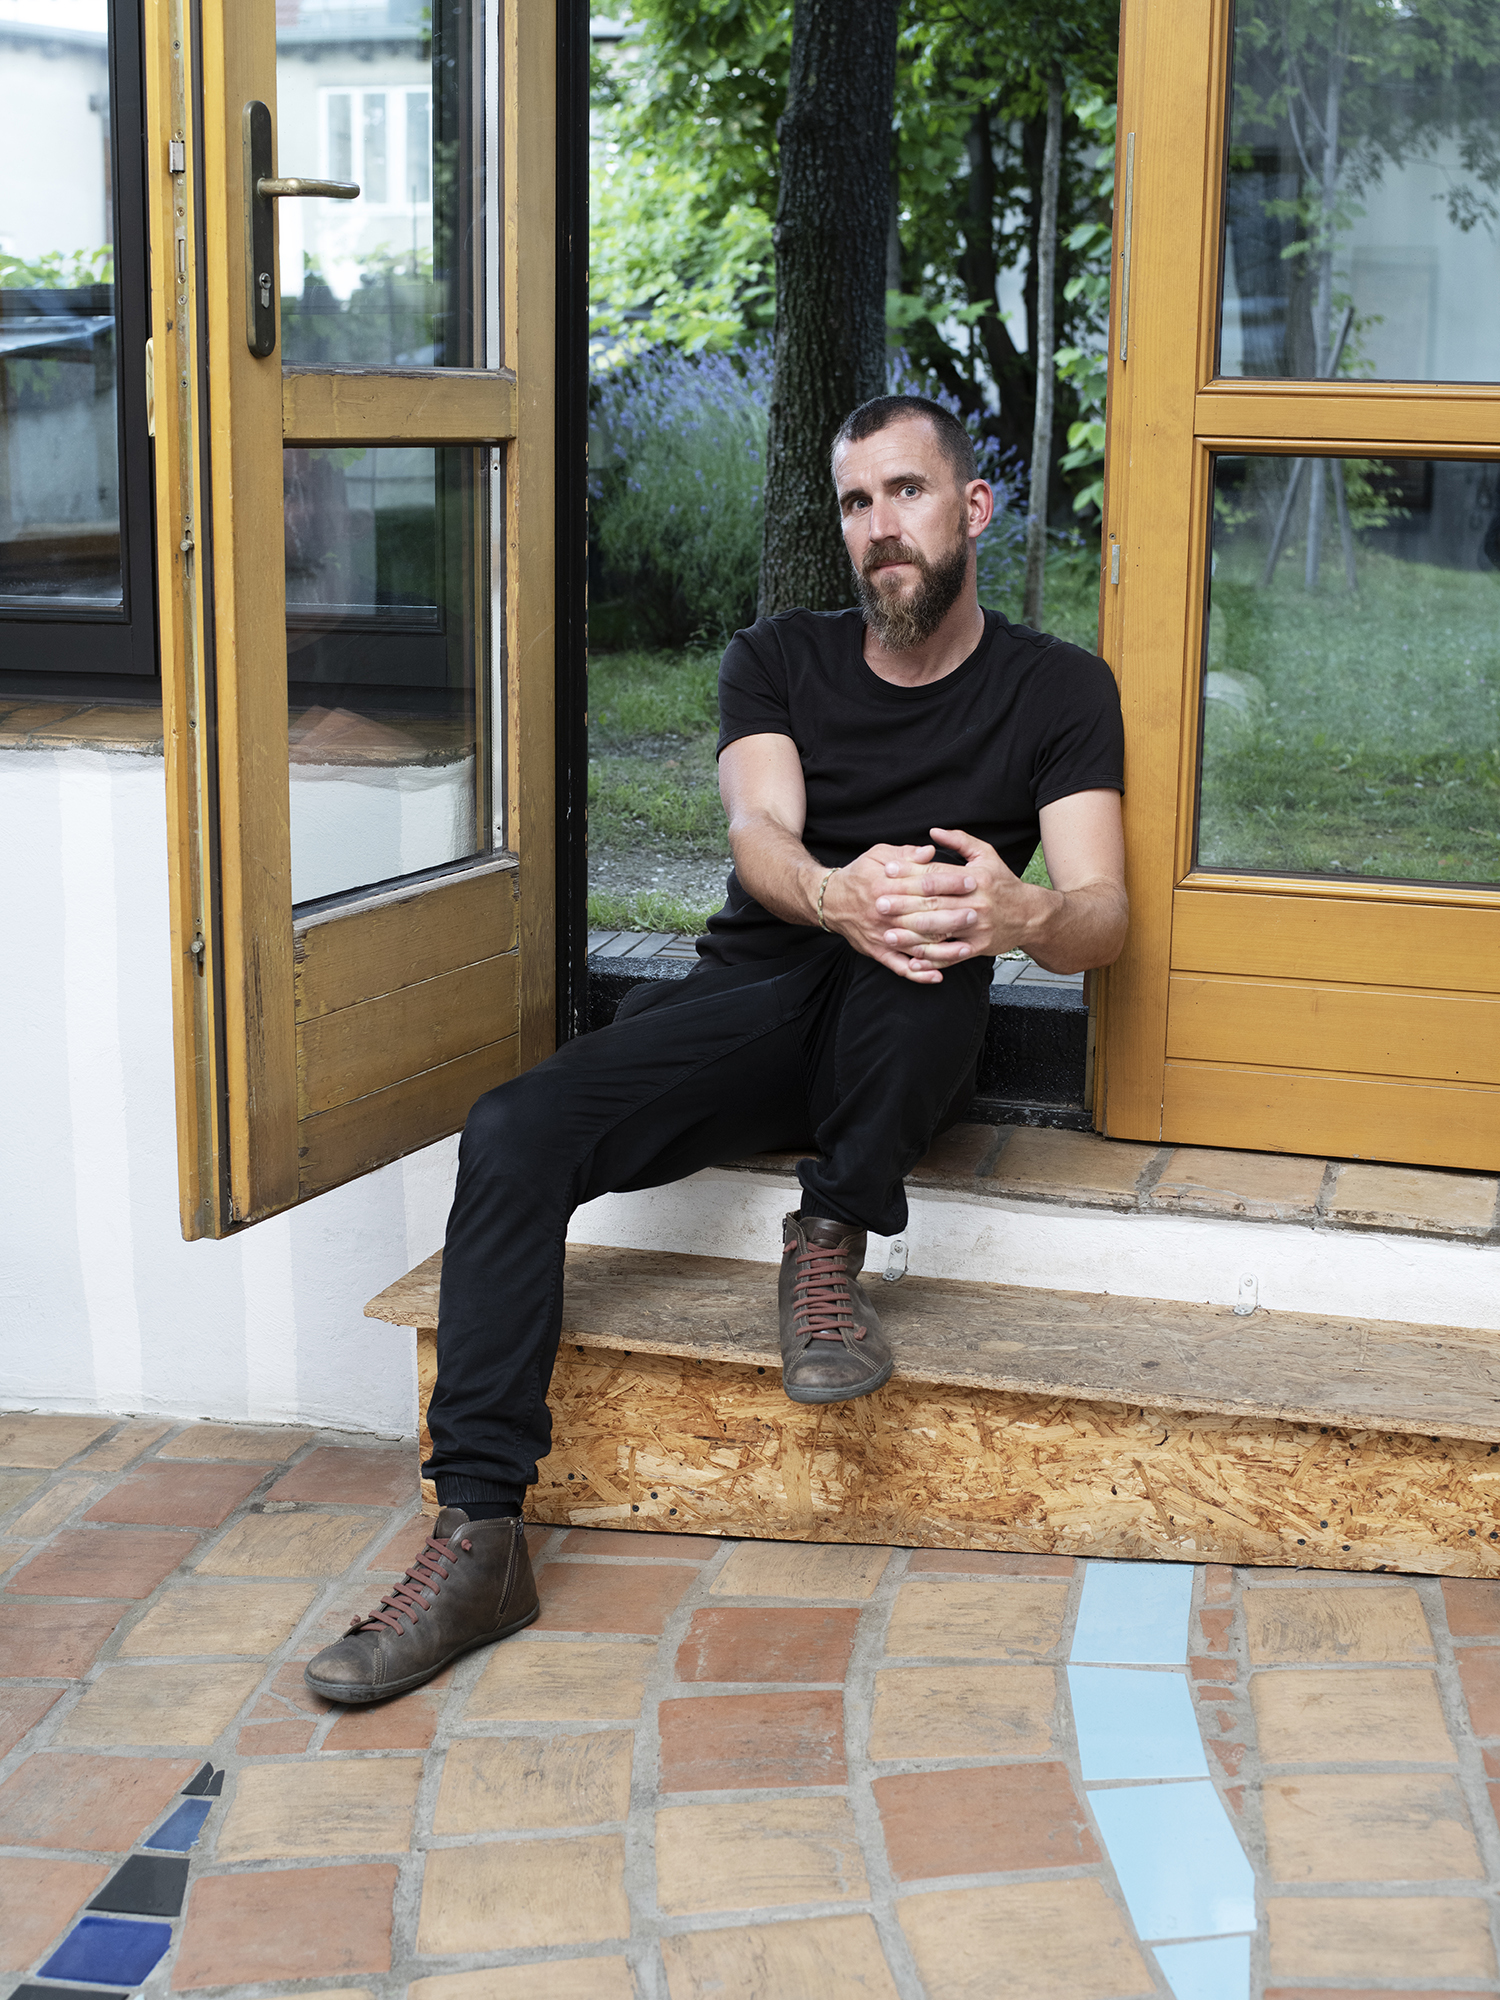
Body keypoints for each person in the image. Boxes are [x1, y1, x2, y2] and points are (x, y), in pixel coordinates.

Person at [305, 393, 1128, 1704]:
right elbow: (761, 831)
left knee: (926, 962)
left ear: (973, 509)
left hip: (905, 1031)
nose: (881, 529)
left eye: (908, 494)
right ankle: (479, 1534)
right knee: (516, 1127)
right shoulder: (778, 658)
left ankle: (827, 1242)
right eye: (857, 504)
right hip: (752, 1004)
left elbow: (1101, 912)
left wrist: (1022, 913)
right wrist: (833, 892)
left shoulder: (1059, 689)